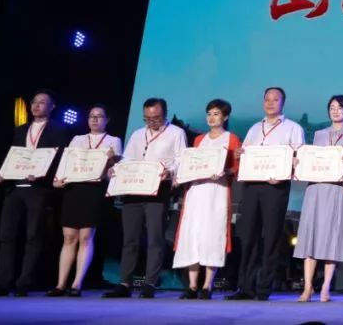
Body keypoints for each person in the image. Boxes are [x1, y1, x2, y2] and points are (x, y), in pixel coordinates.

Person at [227, 87, 305, 301]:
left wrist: (284, 173)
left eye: (275, 99)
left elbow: (298, 159)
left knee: (271, 237)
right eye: (267, 99)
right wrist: (239, 153)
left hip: (275, 187)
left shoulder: (293, 128)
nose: (270, 103)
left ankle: (263, 288)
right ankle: (245, 287)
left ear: (283, 103)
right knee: (248, 236)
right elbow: (245, 153)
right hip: (252, 186)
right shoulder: (254, 128)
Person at [104, 97, 186, 298]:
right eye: (147, 118)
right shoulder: (137, 134)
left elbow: (181, 159)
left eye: (156, 118)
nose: (152, 122)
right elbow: (128, 159)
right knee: (130, 239)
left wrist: (170, 171)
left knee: (155, 238)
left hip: (158, 190)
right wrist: (116, 169)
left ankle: (150, 283)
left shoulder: (176, 133)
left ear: (165, 114)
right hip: (133, 190)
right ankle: (124, 283)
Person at [0, 90, 70, 296]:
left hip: (39, 189)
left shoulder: (59, 130)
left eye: (42, 102)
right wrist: (2, 172)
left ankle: (24, 283)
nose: (37, 105)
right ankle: (3, 282)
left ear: (52, 107)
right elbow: (13, 155)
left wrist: (43, 175)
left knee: (33, 236)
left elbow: (59, 159)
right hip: (15, 187)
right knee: (6, 235)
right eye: (34, 102)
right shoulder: (21, 129)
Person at [48, 104, 122, 297]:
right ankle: (60, 284)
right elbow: (67, 162)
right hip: (74, 190)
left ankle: (77, 283)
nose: (95, 120)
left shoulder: (113, 141)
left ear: (107, 120)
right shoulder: (77, 139)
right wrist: (58, 179)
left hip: (94, 191)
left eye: (99, 116)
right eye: (91, 116)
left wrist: (111, 164)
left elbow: (113, 171)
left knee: (86, 237)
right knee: (68, 237)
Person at [294, 95, 343, 303]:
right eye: (332, 107)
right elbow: (312, 160)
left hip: (336, 190)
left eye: (340, 107)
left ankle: (325, 288)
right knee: (311, 236)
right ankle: (307, 287)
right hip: (315, 188)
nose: (335, 111)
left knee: (332, 238)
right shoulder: (319, 135)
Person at [172, 99, 240, 300]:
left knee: (213, 235)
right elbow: (191, 164)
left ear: (225, 117)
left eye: (216, 114)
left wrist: (225, 172)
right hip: (196, 191)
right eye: (209, 113)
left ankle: (207, 285)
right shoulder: (199, 140)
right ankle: (192, 285)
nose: (211, 117)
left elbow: (237, 168)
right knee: (192, 234)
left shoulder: (232, 139)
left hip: (217, 192)